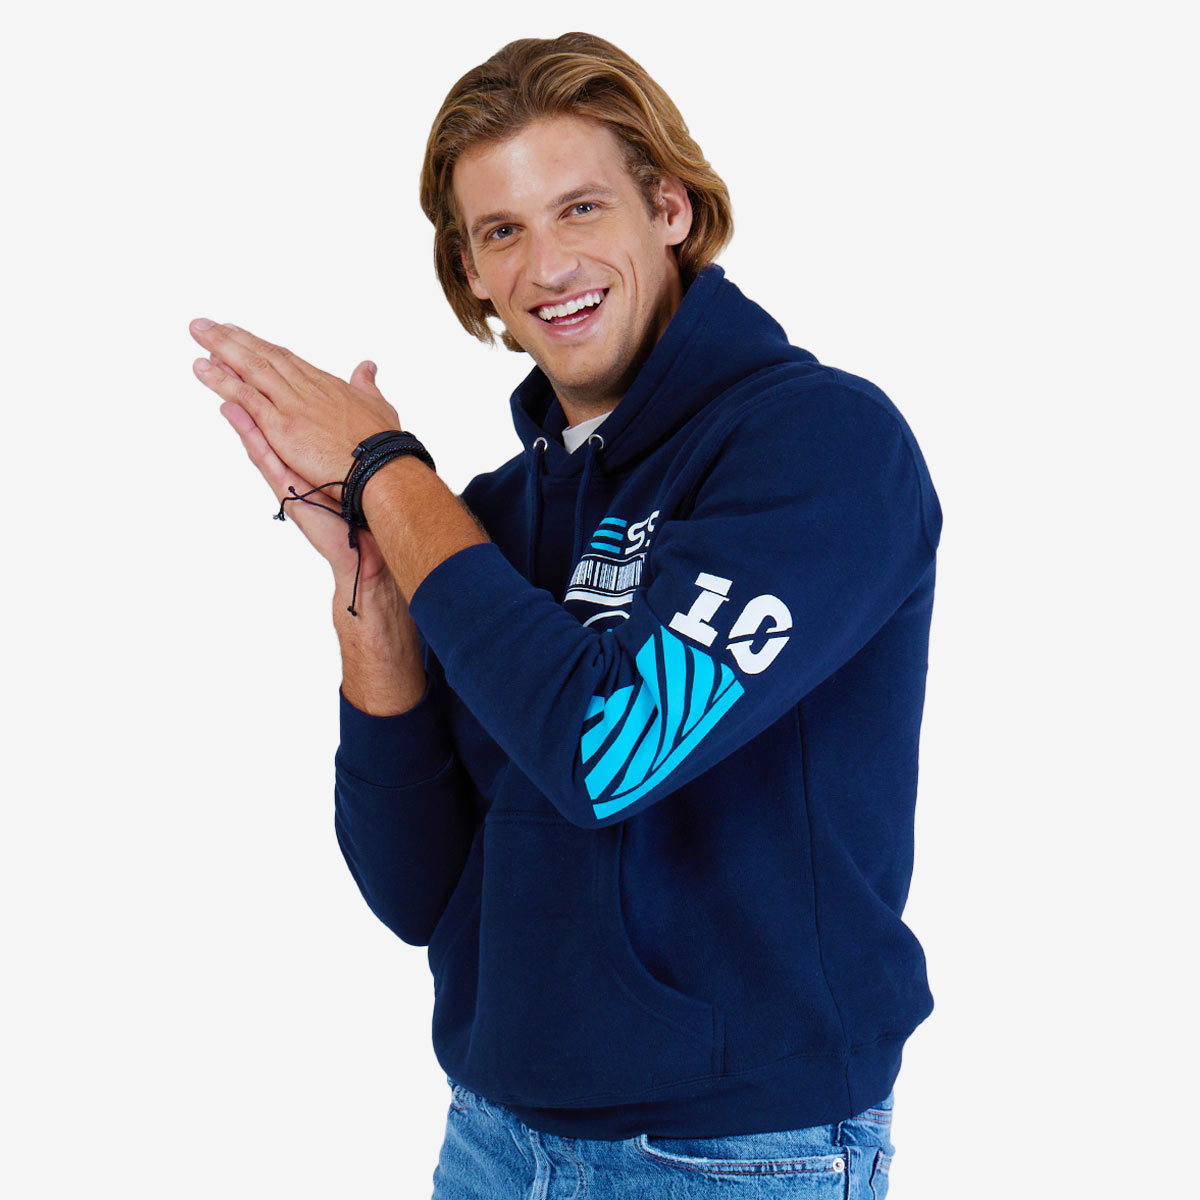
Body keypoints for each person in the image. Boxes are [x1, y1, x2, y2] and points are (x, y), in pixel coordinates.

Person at [189, 32, 940, 1200]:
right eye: (502, 232)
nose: (548, 265)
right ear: (472, 273)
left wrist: (389, 472)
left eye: (580, 208)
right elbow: (420, 893)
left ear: (670, 209)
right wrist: (378, 604)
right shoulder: (485, 521)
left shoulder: (820, 446)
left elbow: (612, 747)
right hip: (494, 1138)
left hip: (734, 1153)